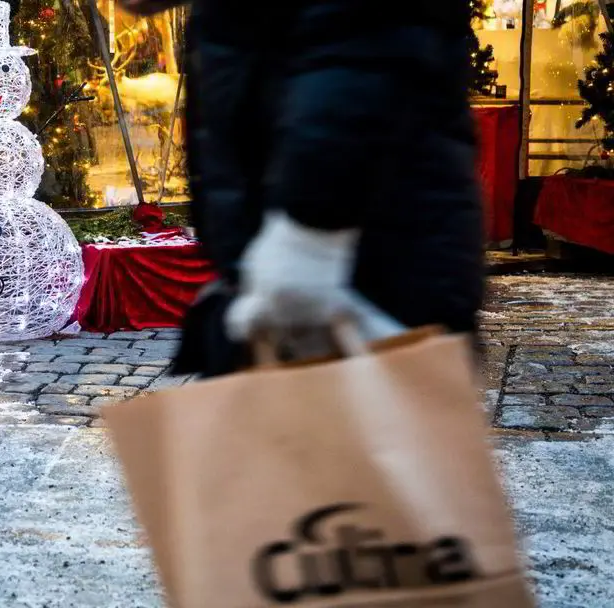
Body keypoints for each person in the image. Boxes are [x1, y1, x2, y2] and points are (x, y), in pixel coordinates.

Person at [121, 0, 483, 376]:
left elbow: (364, 53)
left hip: (364, 261)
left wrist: (309, 236)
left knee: (384, 422)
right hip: (313, 256)